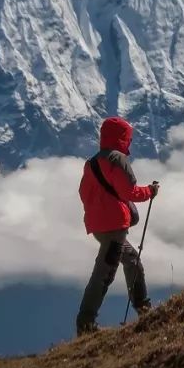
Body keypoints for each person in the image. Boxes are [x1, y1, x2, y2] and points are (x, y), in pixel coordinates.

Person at [75, 116, 160, 335]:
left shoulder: (91, 162)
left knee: (131, 260)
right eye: (128, 138)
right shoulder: (118, 159)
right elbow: (129, 192)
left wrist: (98, 212)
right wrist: (150, 191)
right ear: (122, 138)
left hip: (99, 227)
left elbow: (84, 192)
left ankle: (143, 307)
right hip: (115, 227)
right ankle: (86, 323)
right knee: (104, 272)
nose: (129, 143)